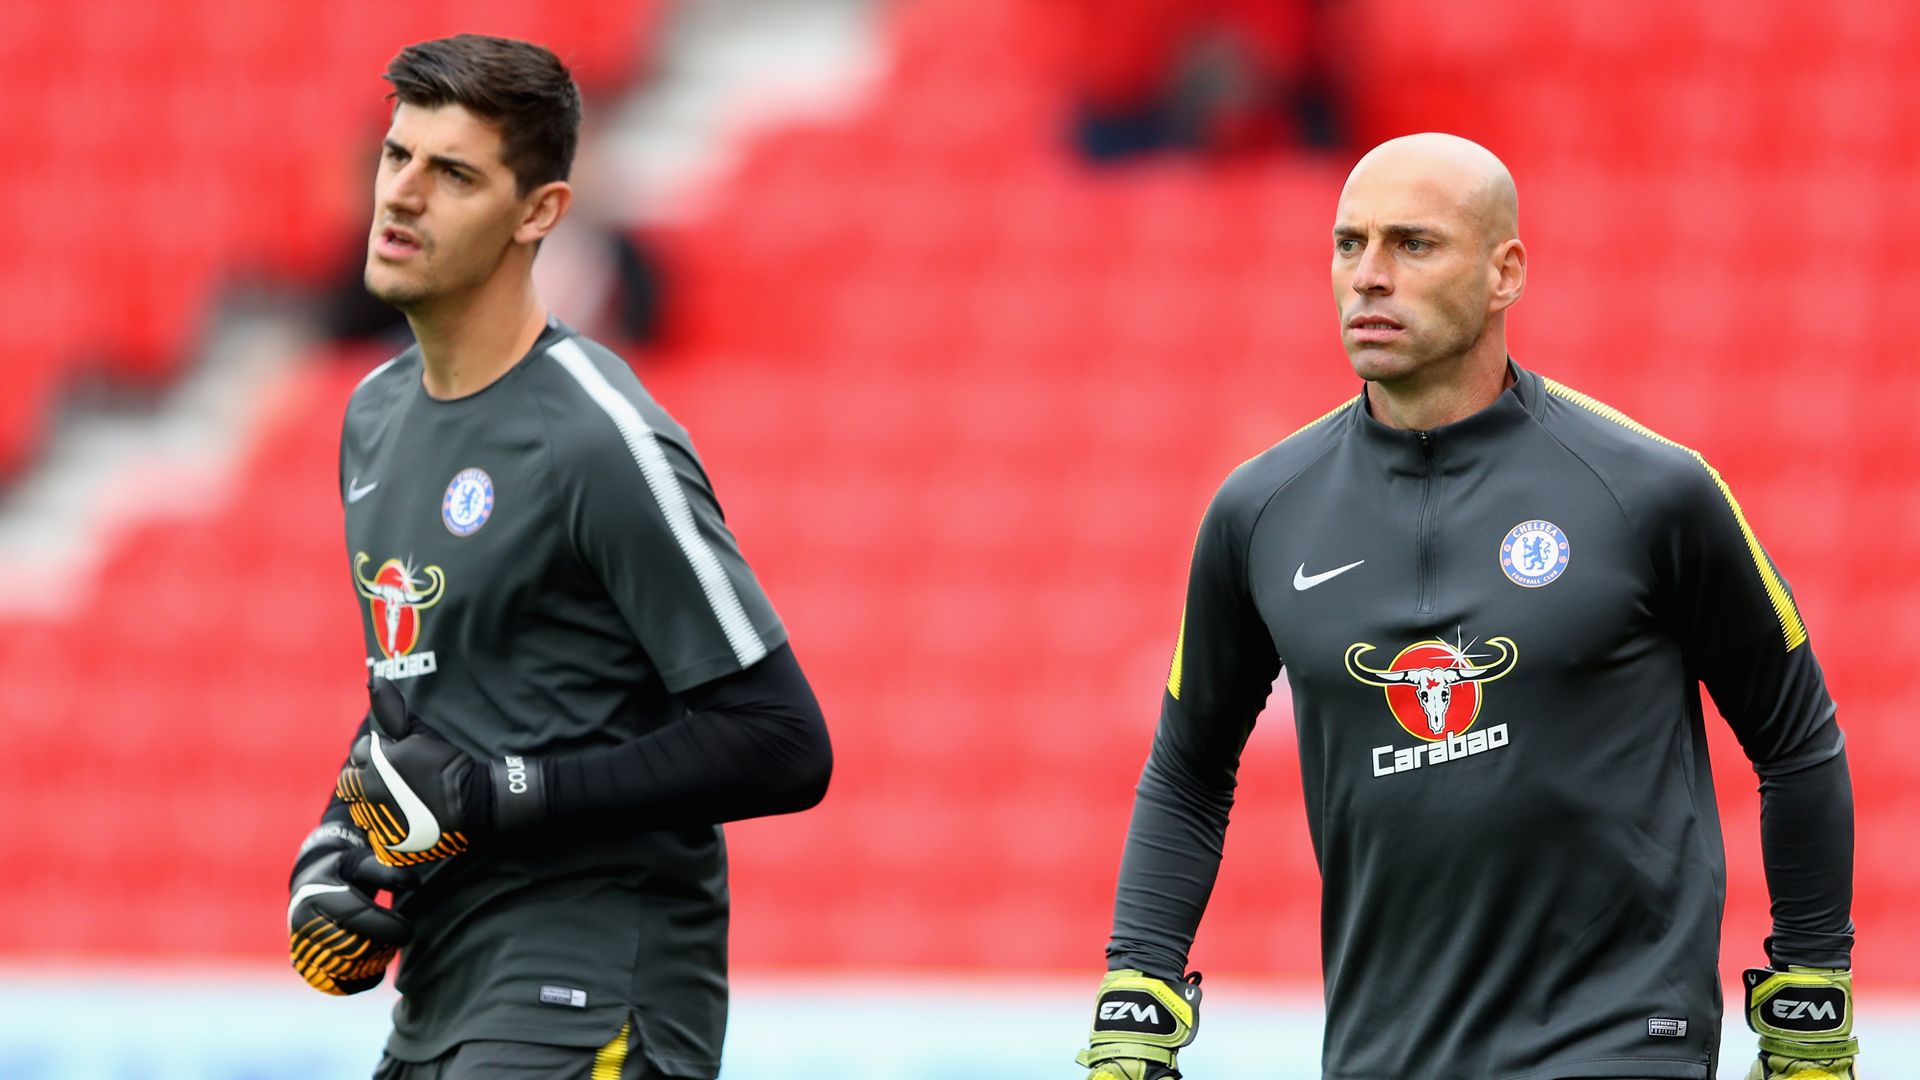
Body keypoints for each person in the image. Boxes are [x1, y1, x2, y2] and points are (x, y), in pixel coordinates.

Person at [1073, 133, 1857, 1079]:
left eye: (1412, 244)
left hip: (1618, 1043)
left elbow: (1796, 736)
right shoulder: (1259, 513)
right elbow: (1189, 770)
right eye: (1347, 243)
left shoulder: (1653, 490)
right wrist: (1137, 994)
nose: (1368, 277)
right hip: (1382, 1053)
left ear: (1505, 273)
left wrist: (1811, 995)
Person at [284, 35, 832, 1080]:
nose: (401, 196)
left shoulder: (596, 437)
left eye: (452, 174)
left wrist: (505, 795)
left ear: (538, 213)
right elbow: (428, 700)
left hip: (591, 991)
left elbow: (782, 741)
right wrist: (333, 850)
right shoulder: (373, 415)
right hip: (442, 990)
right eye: (396, 157)